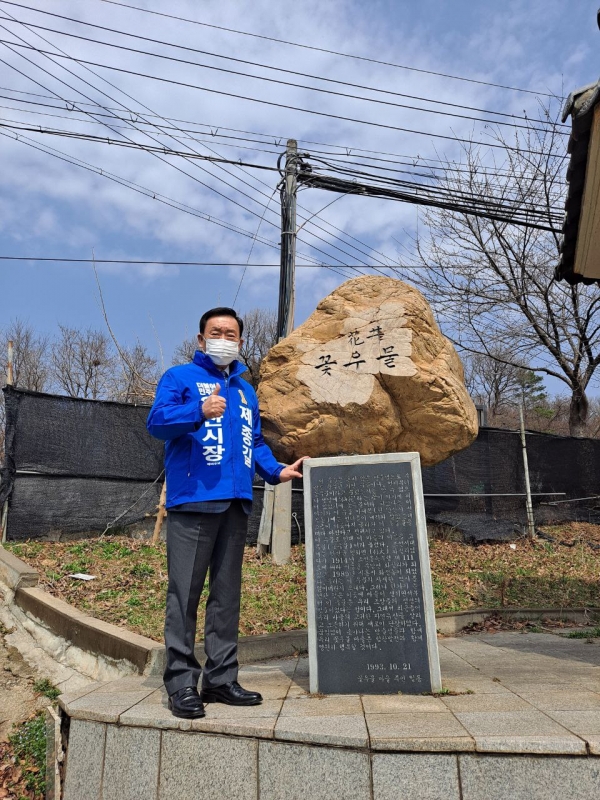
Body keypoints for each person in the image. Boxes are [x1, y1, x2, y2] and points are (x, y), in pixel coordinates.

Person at [147, 307, 306, 719]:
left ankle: (220, 679)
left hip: (236, 502)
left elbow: (254, 441)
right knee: (185, 594)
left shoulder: (244, 391)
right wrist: (196, 412)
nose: (223, 338)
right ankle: (181, 682)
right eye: (215, 332)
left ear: (239, 342)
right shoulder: (179, 378)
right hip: (193, 501)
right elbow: (157, 422)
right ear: (201, 339)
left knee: (226, 596)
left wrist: (276, 470)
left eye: (231, 333)